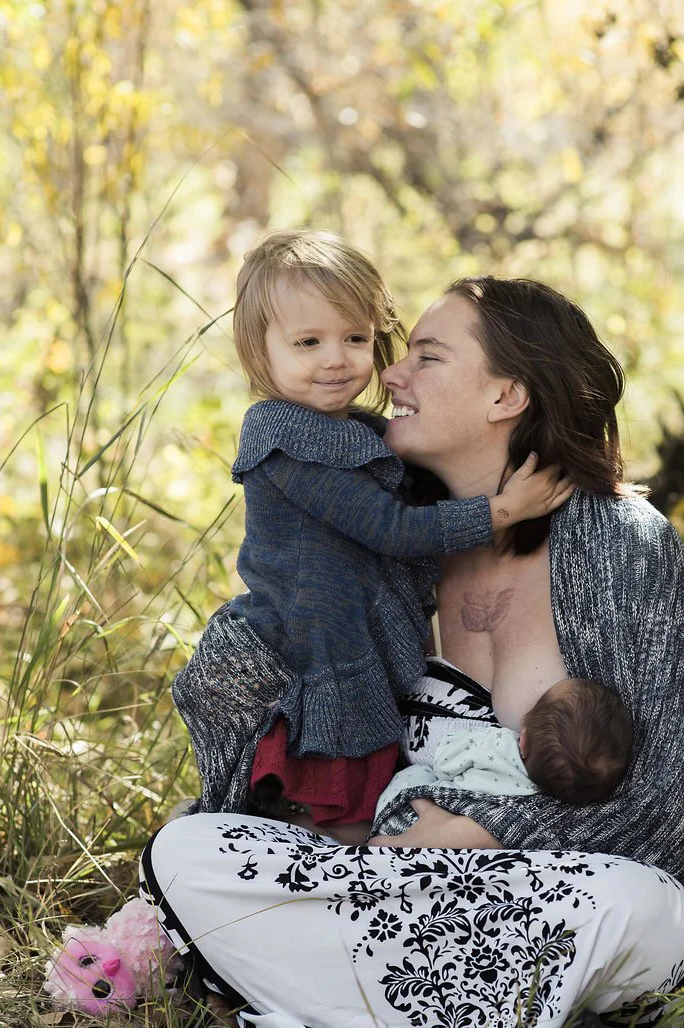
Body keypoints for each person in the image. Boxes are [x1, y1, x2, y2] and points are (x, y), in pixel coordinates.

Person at [143, 275, 684, 1028]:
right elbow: (300, 770)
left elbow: (669, 801)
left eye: (427, 356)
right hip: (408, 895)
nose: (389, 375)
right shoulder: (392, 542)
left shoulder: (618, 541)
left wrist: (474, 832)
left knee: (630, 904)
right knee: (190, 852)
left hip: (570, 900)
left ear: (506, 395)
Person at [172, 231, 572, 841]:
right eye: (308, 343)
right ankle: (317, 884)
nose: (336, 359)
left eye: (354, 338)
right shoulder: (284, 441)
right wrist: (501, 510)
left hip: (350, 641)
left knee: (361, 807)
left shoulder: (358, 428)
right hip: (309, 654)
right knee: (327, 810)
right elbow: (390, 529)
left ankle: (348, 885)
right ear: (260, 353)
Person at [377, 669, 633, 814]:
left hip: (430, 810)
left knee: (414, 775)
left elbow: (444, 762)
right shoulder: (541, 804)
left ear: (522, 742)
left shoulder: (495, 744)